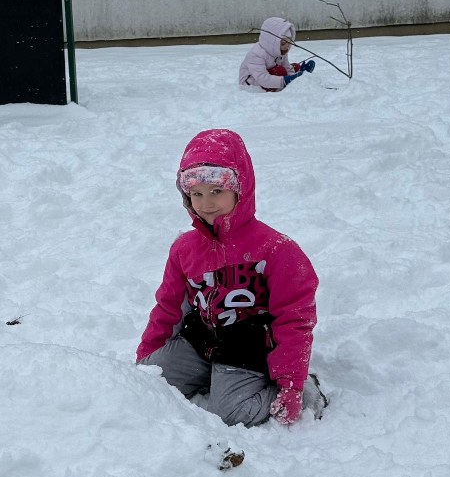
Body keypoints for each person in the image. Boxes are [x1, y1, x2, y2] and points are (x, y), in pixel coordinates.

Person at [136, 129, 321, 427]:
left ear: (240, 189)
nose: (206, 204)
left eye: (216, 192)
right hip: (200, 342)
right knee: (146, 384)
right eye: (196, 194)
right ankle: (209, 375)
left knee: (229, 414)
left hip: (248, 350)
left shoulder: (277, 250)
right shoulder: (184, 249)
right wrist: (147, 358)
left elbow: (294, 319)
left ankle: (308, 391)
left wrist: (291, 384)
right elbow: (169, 308)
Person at [238, 17, 316, 92]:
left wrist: (295, 78)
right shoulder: (256, 54)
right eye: (283, 43)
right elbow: (262, 78)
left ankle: (300, 71)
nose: (287, 46)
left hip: (271, 71)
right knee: (281, 71)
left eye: (289, 42)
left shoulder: (281, 50)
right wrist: (286, 80)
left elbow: (286, 66)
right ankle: (284, 80)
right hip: (252, 82)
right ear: (272, 41)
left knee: (294, 66)